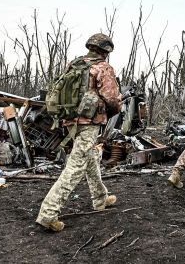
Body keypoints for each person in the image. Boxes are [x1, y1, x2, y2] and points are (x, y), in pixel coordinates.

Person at [36, 33, 121, 232]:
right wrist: (115, 109)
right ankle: (48, 213)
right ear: (106, 51)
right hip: (89, 123)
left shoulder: (74, 64)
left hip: (69, 121)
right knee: (75, 167)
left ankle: (100, 199)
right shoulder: (103, 68)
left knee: (89, 157)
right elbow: (112, 98)